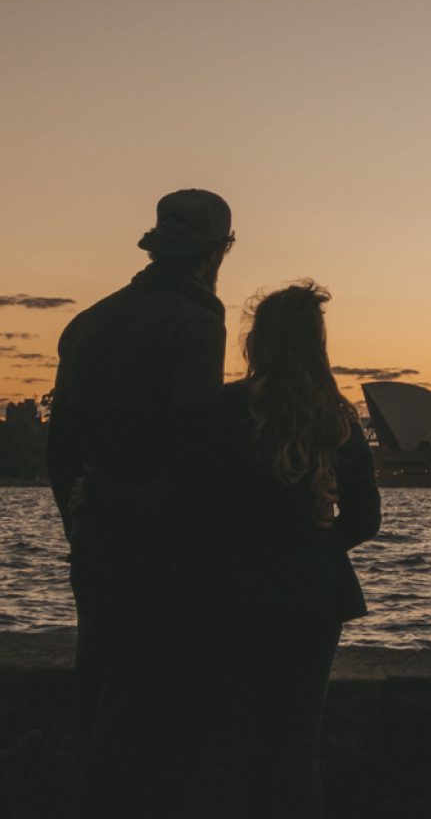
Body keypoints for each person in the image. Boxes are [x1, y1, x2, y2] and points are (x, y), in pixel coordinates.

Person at [46, 188, 235, 818]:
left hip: (96, 533)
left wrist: (82, 521)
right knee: (152, 709)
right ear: (220, 251)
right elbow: (197, 452)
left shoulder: (87, 322)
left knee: (98, 686)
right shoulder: (197, 324)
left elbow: (60, 448)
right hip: (166, 547)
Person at [177, 281, 381, 819]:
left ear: (256, 341)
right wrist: (318, 543)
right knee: (294, 747)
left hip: (231, 591)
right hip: (313, 593)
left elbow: (193, 502)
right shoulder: (337, 418)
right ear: (317, 344)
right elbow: (367, 518)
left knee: (221, 745)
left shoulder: (226, 409)